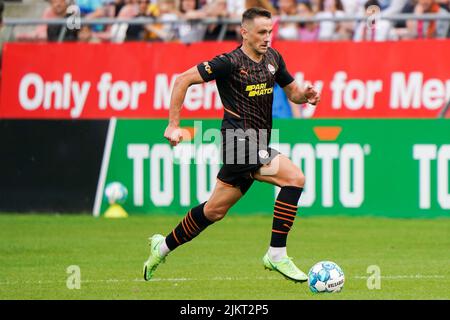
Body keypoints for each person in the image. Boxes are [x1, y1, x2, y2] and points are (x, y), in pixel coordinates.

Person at [143, 7, 320, 283]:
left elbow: (293, 91)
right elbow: (182, 80)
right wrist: (174, 125)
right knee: (294, 178)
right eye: (261, 32)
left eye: (270, 32)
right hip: (238, 144)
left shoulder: (273, 58)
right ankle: (276, 254)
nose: (267, 38)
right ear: (245, 32)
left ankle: (161, 247)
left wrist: (305, 95)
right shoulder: (229, 62)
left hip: (256, 144)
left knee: (213, 210)